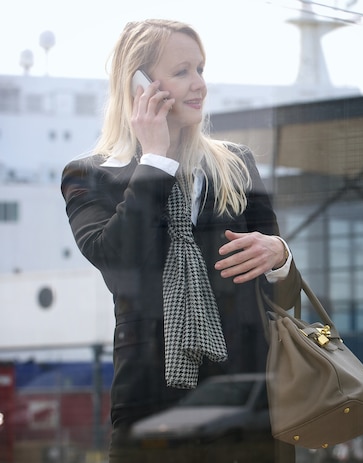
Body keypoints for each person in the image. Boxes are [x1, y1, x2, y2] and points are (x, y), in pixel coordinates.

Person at [60, 19, 301, 463]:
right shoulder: (88, 175)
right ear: (140, 84)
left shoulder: (236, 164)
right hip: (151, 407)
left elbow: (279, 294)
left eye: (201, 69)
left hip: (247, 405)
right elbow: (118, 263)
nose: (200, 85)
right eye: (183, 71)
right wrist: (154, 159)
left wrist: (280, 256)